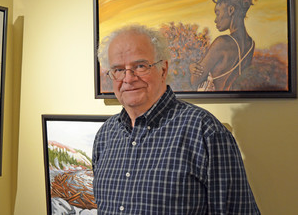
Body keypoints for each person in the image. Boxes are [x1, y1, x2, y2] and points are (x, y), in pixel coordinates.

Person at [93, 24, 260, 214]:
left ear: (163, 69)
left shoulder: (205, 132)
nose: (128, 78)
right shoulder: (105, 136)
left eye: (140, 66)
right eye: (118, 69)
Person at [189, 0, 256, 91]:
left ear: (230, 10)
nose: (216, 19)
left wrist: (191, 67)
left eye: (218, 12)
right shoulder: (251, 45)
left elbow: (195, 80)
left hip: (212, 101)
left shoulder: (222, 43)